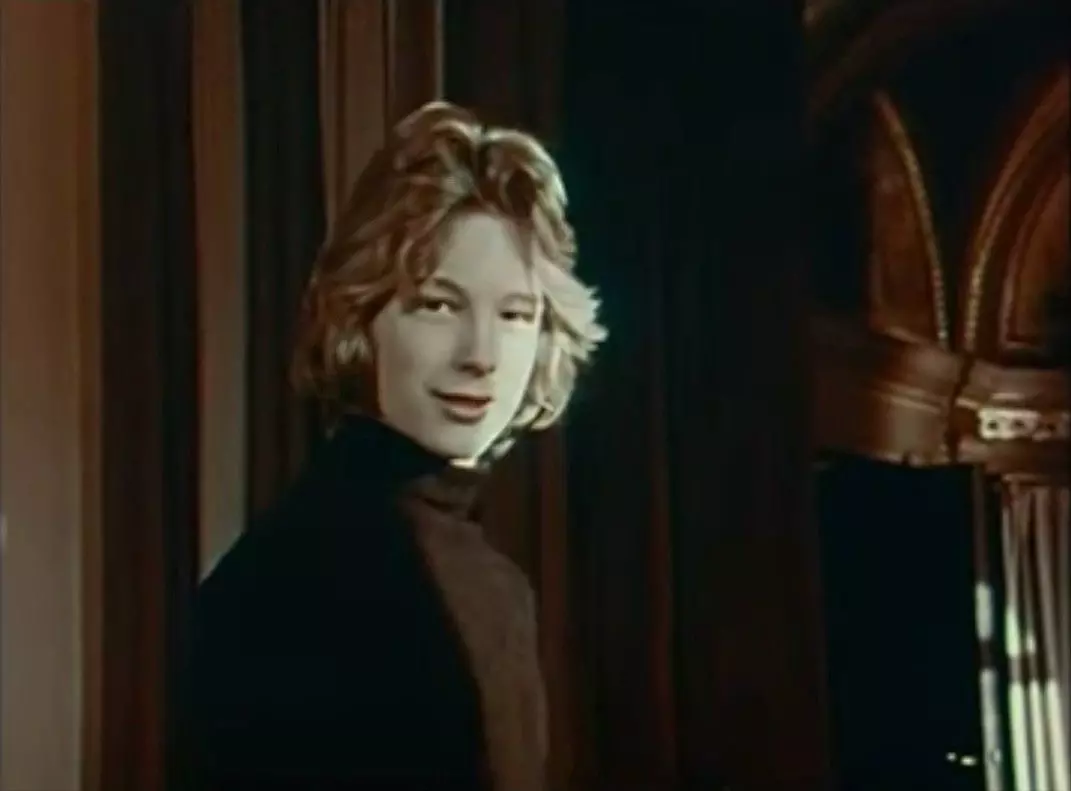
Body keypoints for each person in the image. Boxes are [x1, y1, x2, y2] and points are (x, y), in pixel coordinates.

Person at [180, 101, 606, 790]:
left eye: (515, 314)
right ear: (363, 316)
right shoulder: (286, 582)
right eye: (438, 304)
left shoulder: (497, 586)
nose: (481, 354)